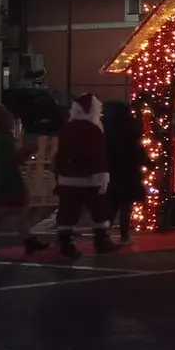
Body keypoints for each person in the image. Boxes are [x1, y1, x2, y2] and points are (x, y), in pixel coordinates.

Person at [54, 93, 117, 258]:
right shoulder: (93, 129)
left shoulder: (67, 128)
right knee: (99, 210)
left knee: (68, 211)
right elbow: (97, 154)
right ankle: (102, 241)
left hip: (67, 178)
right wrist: (102, 176)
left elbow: (60, 153)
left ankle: (66, 244)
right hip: (89, 179)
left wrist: (59, 173)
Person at [0, 105, 48, 258]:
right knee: (1, 213)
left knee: (16, 211)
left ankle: (29, 240)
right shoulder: (2, 139)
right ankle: (29, 241)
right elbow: (11, 160)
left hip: (3, 179)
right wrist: (27, 150)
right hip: (5, 181)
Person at [105, 104, 148, 244]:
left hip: (114, 175)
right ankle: (124, 235)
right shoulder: (132, 132)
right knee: (125, 207)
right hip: (130, 175)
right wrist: (148, 163)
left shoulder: (111, 134)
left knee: (113, 206)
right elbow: (141, 154)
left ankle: (104, 233)